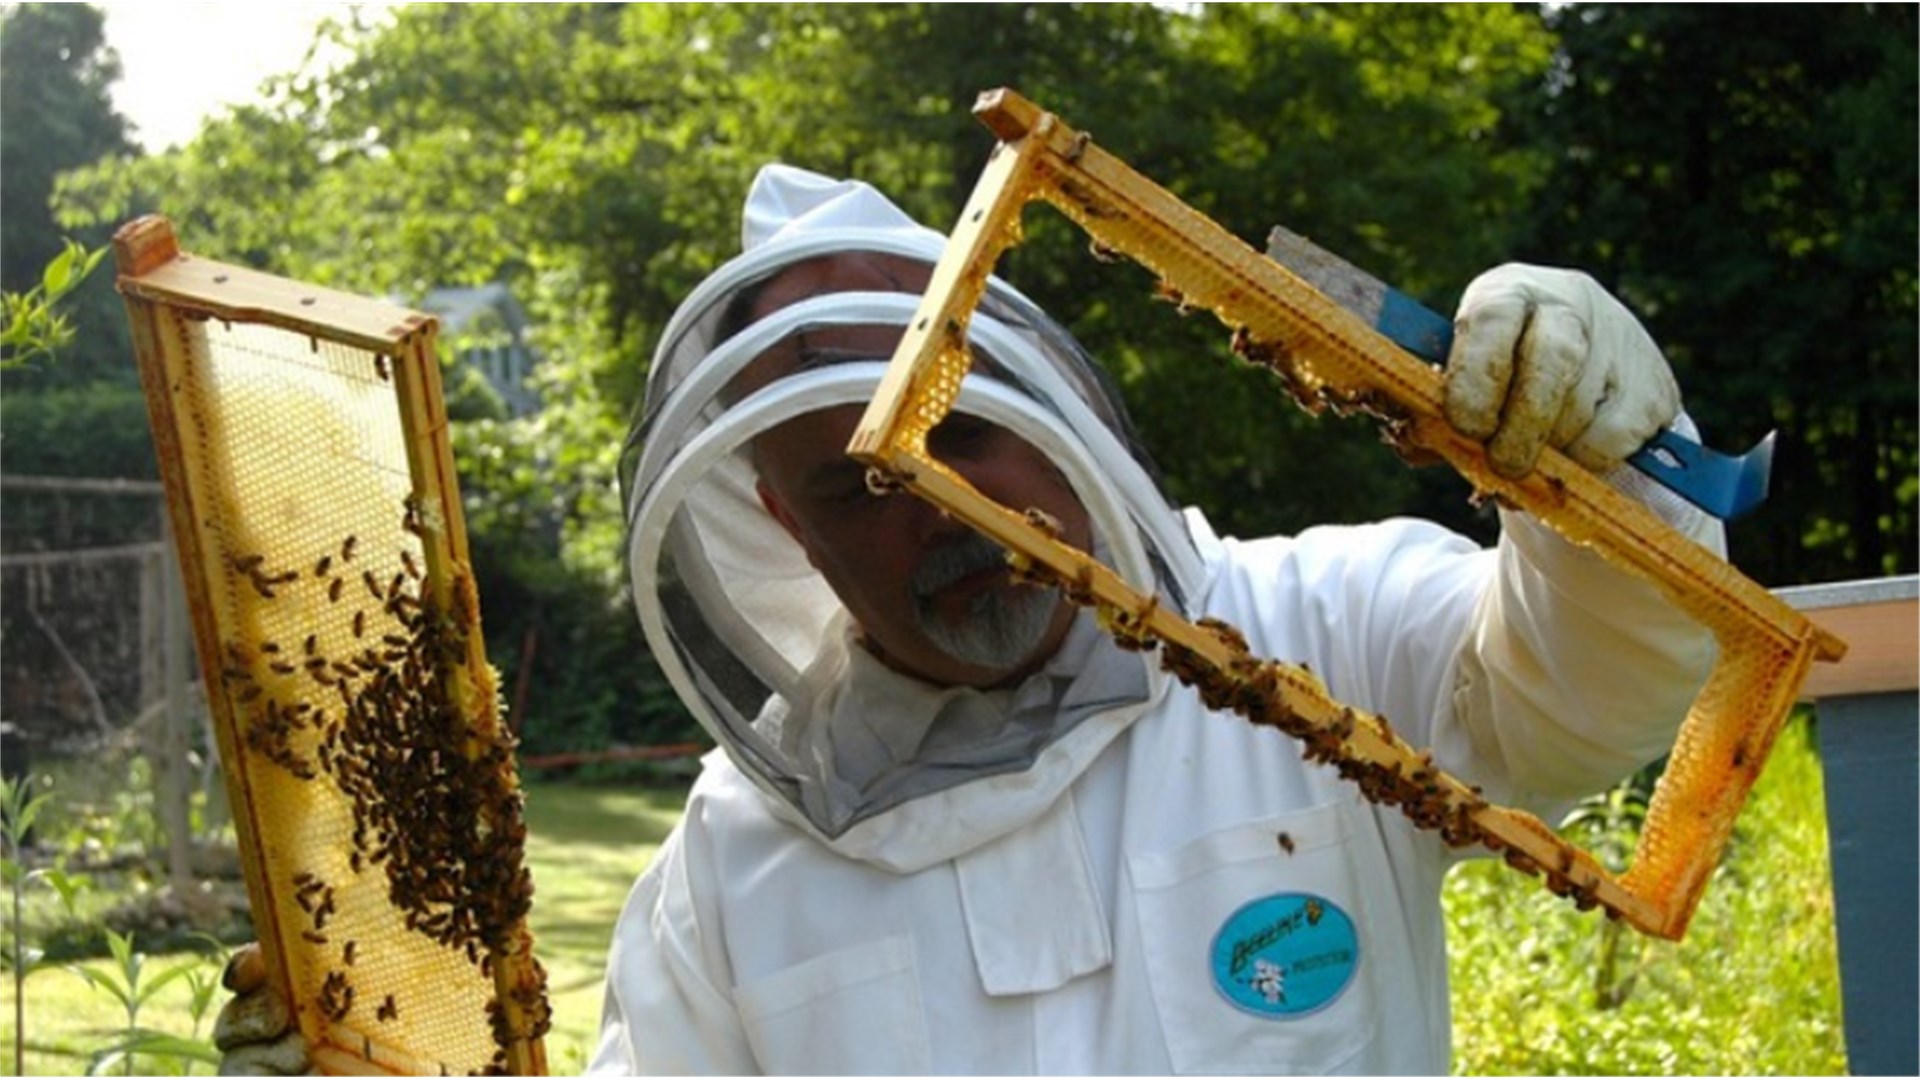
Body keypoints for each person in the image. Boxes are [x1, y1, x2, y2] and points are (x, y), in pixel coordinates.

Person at [216, 163, 1721, 1075]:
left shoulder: (1314, 633)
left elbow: (1589, 685)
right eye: (857, 488)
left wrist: (1604, 475)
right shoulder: (733, 874)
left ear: (1044, 406)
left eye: (959, 442)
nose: (936, 517)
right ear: (782, 524)